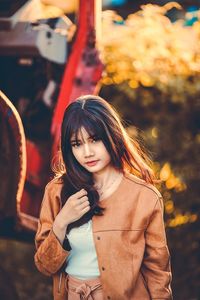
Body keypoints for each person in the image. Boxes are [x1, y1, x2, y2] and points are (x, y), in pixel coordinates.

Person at [34, 95, 172, 300]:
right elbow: (45, 266)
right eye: (76, 143)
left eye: (94, 139)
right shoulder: (57, 191)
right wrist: (62, 221)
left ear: (112, 135)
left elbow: (157, 271)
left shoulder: (144, 197)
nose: (87, 152)